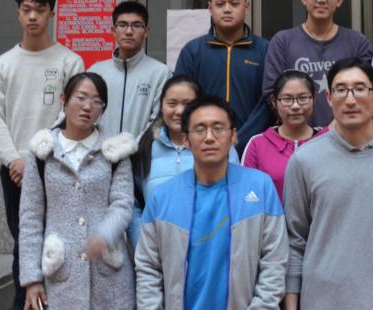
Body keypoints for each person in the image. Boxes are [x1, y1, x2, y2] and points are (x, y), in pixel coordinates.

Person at [283, 58, 373, 310]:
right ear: (329, 98)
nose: (350, 100)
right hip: (322, 301)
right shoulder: (304, 160)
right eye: (341, 90)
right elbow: (294, 241)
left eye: (360, 89)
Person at [0, 0, 84, 310]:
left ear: (51, 14)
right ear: (18, 13)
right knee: (24, 243)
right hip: (14, 170)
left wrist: (35, 157)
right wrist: (14, 160)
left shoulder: (70, 62)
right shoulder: (2, 64)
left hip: (55, 165)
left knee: (59, 240)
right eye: (26, 10)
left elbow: (69, 115)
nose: (32, 17)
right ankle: (24, 303)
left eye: (40, 10)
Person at [136, 95, 288, 310]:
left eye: (218, 128)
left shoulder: (260, 186)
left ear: (233, 136)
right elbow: (148, 267)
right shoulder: (163, 196)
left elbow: (274, 260)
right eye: (199, 129)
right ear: (186, 139)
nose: (209, 137)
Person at [19, 72, 136, 310]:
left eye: (97, 101)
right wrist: (32, 279)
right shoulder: (42, 152)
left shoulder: (115, 152)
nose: (87, 107)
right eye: (81, 98)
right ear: (64, 99)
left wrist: (104, 234)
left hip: (108, 273)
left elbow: (123, 204)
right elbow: (30, 217)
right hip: (61, 272)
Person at [127, 75, 241, 249]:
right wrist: (142, 245)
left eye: (188, 104)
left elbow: (235, 198)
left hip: (212, 248)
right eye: (172, 104)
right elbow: (133, 203)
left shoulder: (220, 147)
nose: (179, 111)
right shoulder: (145, 147)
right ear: (161, 106)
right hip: (158, 249)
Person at [262, 0, 373, 127]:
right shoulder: (282, 41)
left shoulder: (358, 43)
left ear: (339, 0)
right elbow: (271, 93)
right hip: (296, 136)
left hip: (345, 135)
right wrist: (306, 132)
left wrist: (332, 131)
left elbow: (365, 91)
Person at [175, 0, 269, 154]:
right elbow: (182, 100)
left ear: (246, 7)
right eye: (220, 4)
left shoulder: (265, 50)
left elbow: (268, 103)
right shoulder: (193, 51)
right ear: (210, 8)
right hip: (204, 145)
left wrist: (241, 139)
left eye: (234, 4)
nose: (227, 9)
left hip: (253, 147)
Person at [90, 0, 171, 141]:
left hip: (141, 152)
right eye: (122, 25)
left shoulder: (160, 73)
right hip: (100, 151)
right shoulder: (96, 71)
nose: (129, 31)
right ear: (113, 30)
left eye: (136, 25)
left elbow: (158, 120)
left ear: (146, 31)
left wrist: (135, 147)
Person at [243, 69, 327, 201]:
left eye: (303, 98)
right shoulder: (258, 144)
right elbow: (248, 195)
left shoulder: (327, 140)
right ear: (274, 101)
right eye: (287, 99)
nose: (295, 106)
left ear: (314, 99)